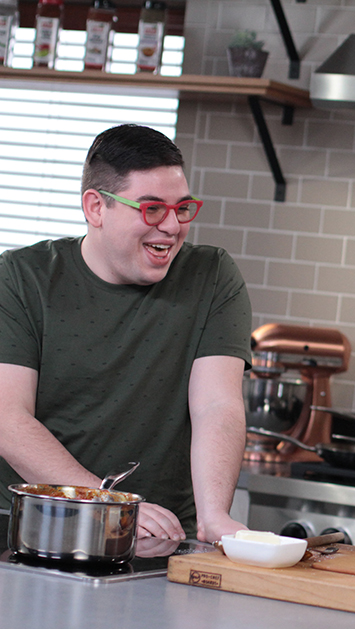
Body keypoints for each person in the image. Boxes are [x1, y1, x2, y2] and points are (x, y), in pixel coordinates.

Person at [0, 124, 252, 544]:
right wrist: (105, 503)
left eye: (182, 208)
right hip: (32, 531)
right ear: (96, 207)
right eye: (152, 209)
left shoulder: (211, 276)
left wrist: (214, 516)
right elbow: (7, 418)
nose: (171, 226)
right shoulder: (20, 278)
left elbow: (217, 405)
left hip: (161, 538)